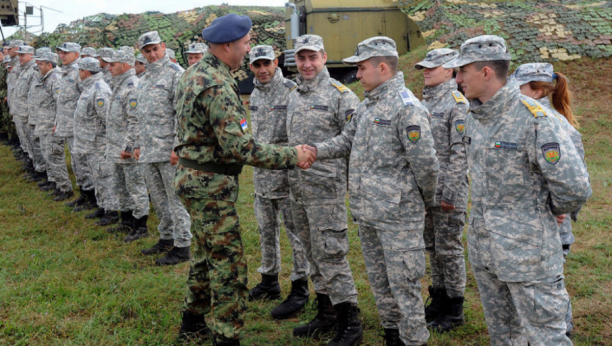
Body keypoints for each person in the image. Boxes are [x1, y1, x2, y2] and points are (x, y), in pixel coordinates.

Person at [172, 14, 315, 346]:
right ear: (228, 46)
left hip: (194, 179)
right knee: (229, 265)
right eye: (246, 43)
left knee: (205, 255)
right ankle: (227, 336)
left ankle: (192, 323)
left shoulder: (195, 72)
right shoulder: (217, 84)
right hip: (210, 185)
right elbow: (241, 148)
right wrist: (294, 155)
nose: (248, 49)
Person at [443, 35, 591, 346]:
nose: (456, 79)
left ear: (485, 72)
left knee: (546, 338)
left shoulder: (535, 119)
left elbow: (574, 186)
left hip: (528, 255)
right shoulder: (475, 117)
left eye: (462, 72)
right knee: (505, 337)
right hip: (486, 252)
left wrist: (540, 215)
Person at [304, 36, 438, 346]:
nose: (358, 75)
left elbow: (427, 167)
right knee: (381, 283)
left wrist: (423, 203)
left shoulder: (407, 108)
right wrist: (313, 150)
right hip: (368, 214)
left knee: (404, 285)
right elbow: (345, 141)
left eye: (362, 68)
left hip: (398, 217)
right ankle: (393, 334)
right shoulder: (367, 104)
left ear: (382, 67)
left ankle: (413, 339)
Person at [285, 34, 362, 345]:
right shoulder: (294, 95)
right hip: (298, 190)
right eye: (301, 58)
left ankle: (350, 323)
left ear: (324, 57)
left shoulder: (342, 96)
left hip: (325, 192)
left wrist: (316, 150)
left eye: (312, 57)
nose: (306, 64)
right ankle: (326, 312)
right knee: (312, 254)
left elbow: (352, 140)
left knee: (331, 256)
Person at [512, 62, 587, 337]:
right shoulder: (529, 119)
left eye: (518, 88)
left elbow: (576, 180)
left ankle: (562, 332)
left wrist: (559, 210)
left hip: (552, 223)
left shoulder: (552, 124)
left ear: (537, 91)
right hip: (536, 221)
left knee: (551, 287)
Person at [246, 45, 310, 318]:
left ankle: (300, 287)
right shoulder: (254, 94)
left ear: (276, 62)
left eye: (266, 64)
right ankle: (269, 279)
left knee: (295, 233)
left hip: (286, 177)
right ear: (251, 67)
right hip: (261, 177)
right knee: (265, 230)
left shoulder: (291, 91)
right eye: (256, 65)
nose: (262, 70)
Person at [414, 48, 469, 332]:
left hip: (449, 191)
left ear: (449, 70)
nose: (425, 71)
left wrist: (449, 193)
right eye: (424, 66)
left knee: (449, 249)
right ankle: (438, 297)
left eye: (432, 67)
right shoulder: (422, 102)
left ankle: (455, 306)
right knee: (432, 247)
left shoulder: (456, 103)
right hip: (427, 190)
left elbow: (461, 153)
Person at [129, 31, 192, 265]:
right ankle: (166, 238)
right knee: (158, 198)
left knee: (176, 199)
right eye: (147, 51)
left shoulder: (176, 75)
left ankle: (182, 245)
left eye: (155, 49)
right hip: (148, 150)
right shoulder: (143, 79)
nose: (152, 54)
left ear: (163, 47)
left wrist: (178, 146)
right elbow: (137, 115)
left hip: (169, 151)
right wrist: (136, 144)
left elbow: (183, 115)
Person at [105, 48, 150, 240]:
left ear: (125, 66)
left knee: (135, 186)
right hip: (115, 146)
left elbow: (136, 120)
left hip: (126, 148)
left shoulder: (132, 87)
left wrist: (129, 146)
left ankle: (140, 225)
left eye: (113, 64)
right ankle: (126, 220)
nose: (109, 68)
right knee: (120, 185)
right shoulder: (119, 84)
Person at [73, 57, 120, 225]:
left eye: (79, 70)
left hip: (99, 144)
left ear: (85, 72)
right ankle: (103, 205)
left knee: (104, 177)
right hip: (89, 143)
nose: (78, 73)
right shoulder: (89, 87)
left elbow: (109, 119)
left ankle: (112, 211)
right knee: (97, 176)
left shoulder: (99, 89)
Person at [55, 42, 95, 206]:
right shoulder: (66, 72)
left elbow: (86, 100)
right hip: (68, 126)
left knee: (83, 163)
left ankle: (92, 198)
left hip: (79, 127)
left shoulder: (80, 73)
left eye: (66, 53)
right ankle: (84, 194)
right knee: (76, 163)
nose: (62, 56)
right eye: (60, 53)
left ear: (76, 55)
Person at [32, 52, 69, 196]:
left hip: (52, 126)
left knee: (55, 157)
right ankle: (55, 182)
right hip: (44, 125)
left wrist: (57, 123)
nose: (38, 67)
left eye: (40, 64)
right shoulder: (45, 78)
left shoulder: (55, 79)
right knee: (48, 156)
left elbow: (60, 103)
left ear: (49, 65)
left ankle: (65, 188)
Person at [14, 45, 45, 182]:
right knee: (30, 143)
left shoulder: (34, 71)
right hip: (22, 113)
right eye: (19, 55)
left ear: (31, 55)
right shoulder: (24, 70)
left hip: (30, 115)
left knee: (36, 144)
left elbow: (35, 95)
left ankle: (42, 170)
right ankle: (35, 166)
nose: (19, 57)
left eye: (22, 55)